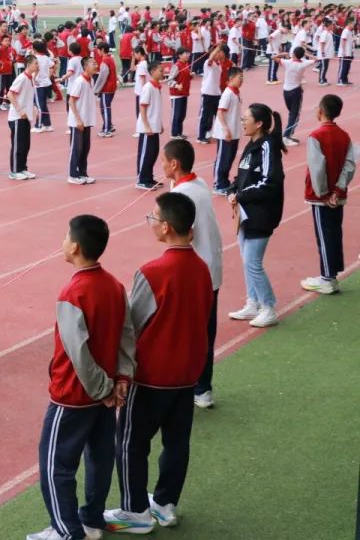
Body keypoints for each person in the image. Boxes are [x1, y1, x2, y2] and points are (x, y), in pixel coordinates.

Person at [105, 193, 214, 534]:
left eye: (152, 218)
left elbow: (131, 326)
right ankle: (165, 504)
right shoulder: (202, 269)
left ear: (166, 227)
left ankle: (135, 510)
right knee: (177, 441)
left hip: (152, 376)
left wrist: (118, 371)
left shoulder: (153, 273)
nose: (150, 223)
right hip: (186, 375)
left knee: (130, 442)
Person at [27, 215, 134, 540]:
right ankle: (91, 520)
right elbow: (127, 334)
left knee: (55, 464)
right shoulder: (114, 285)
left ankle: (67, 530)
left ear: (74, 247)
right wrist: (121, 379)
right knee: (100, 457)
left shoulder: (73, 293)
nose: (62, 242)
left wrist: (102, 388)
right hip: (106, 396)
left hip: (72, 396)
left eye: (64, 237)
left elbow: (78, 353)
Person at [161, 139, 224, 410]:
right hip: (210, 269)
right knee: (204, 332)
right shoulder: (197, 184)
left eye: (163, 161)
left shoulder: (183, 194)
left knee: (187, 334)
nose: (161, 165)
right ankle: (202, 387)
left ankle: (189, 387)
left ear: (174, 164)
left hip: (195, 274)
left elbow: (177, 233)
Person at [225, 103, 287, 328]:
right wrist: (232, 191)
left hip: (261, 214)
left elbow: (270, 182)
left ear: (259, 123)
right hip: (245, 213)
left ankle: (268, 307)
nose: (242, 122)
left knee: (253, 262)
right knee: (246, 260)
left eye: (246, 119)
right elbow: (242, 176)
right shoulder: (251, 145)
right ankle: (253, 302)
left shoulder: (267, 146)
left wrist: (241, 195)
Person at [300, 94, 355, 295]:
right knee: (334, 233)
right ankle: (331, 274)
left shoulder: (316, 136)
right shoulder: (344, 135)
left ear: (321, 111)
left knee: (324, 236)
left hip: (322, 197)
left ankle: (327, 278)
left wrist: (324, 194)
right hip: (337, 196)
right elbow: (349, 165)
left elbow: (317, 168)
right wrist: (338, 190)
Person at [211, 67, 244, 195]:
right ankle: (218, 184)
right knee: (223, 158)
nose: (241, 80)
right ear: (231, 78)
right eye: (239, 78)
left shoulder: (236, 93)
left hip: (234, 131)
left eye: (242, 78)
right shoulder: (227, 94)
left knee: (229, 158)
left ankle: (224, 181)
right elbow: (220, 112)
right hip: (225, 133)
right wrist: (225, 129)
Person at [67, 55, 98, 185]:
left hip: (87, 121)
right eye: (93, 63)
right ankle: (73, 174)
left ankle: (83, 173)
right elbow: (71, 100)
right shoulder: (79, 81)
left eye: (96, 63)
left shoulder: (90, 80)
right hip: (78, 122)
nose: (96, 65)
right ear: (85, 66)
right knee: (76, 149)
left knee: (85, 148)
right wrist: (78, 119)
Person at [7, 55, 38, 180]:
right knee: (18, 145)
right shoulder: (22, 78)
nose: (37, 65)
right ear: (28, 64)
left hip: (26, 117)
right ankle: (14, 171)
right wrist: (19, 110)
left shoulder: (30, 79)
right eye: (35, 63)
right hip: (17, 117)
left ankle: (22, 168)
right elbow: (10, 94)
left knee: (25, 145)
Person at [135, 61, 165, 190]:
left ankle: (148, 177)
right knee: (146, 153)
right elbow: (143, 107)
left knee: (153, 152)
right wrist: (146, 125)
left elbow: (156, 108)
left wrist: (160, 123)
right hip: (148, 127)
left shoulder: (156, 87)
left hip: (154, 126)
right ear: (152, 72)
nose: (162, 72)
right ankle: (141, 179)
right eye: (160, 70)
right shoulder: (148, 87)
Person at [280, 45, 315, 146]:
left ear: (294, 54)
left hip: (286, 91)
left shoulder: (287, 62)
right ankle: (286, 136)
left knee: (292, 114)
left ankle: (289, 134)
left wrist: (282, 54)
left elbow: (273, 58)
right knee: (294, 115)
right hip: (296, 91)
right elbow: (316, 60)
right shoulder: (303, 63)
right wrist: (307, 54)